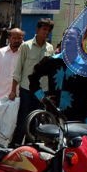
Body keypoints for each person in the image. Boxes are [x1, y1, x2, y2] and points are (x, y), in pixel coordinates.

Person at [10, 17, 54, 147]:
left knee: (36, 119)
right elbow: (18, 69)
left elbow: (51, 73)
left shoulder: (50, 48)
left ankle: (30, 148)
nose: (46, 32)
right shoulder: (26, 46)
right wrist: (13, 90)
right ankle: (16, 145)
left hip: (41, 92)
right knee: (23, 118)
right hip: (26, 89)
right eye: (44, 29)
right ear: (37, 29)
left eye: (48, 30)